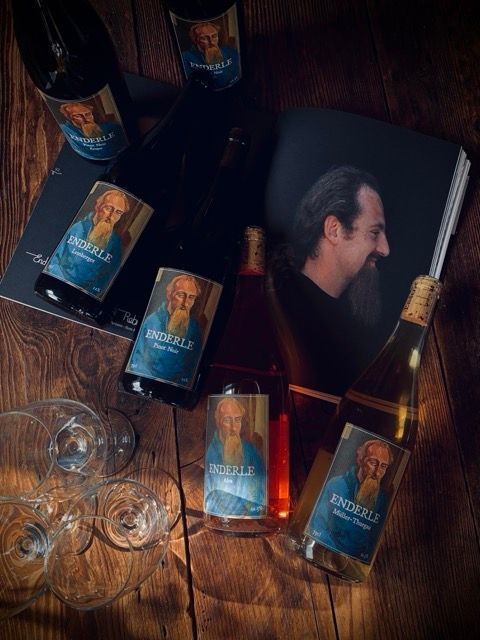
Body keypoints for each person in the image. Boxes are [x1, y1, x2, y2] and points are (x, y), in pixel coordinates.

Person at [271, 165, 390, 396]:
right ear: (334, 230)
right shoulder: (275, 305)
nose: (385, 249)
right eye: (375, 233)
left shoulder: (354, 328)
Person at [307, 438, 393, 562]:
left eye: (383, 467)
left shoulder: (382, 500)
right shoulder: (336, 484)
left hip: (356, 563)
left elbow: (373, 539)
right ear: (360, 460)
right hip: (318, 552)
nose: (377, 472)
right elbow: (318, 524)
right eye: (373, 463)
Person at [46, 188, 130, 297]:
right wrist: (61, 280)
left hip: (83, 295)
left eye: (118, 212)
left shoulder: (115, 243)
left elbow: (108, 275)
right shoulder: (77, 226)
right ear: (98, 206)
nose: (111, 215)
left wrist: (88, 292)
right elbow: (54, 259)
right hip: (57, 282)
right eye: (109, 208)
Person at [127, 273, 203, 387]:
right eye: (181, 295)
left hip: (174, 388)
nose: (185, 303)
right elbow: (137, 357)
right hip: (143, 381)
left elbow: (191, 366)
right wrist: (152, 379)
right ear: (169, 294)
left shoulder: (194, 330)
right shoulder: (152, 320)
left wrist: (173, 383)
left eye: (191, 297)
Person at [204, 397, 267, 517]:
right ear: (218, 422)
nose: (233, 428)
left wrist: (252, 510)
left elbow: (262, 488)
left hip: (252, 519)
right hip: (223, 519)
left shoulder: (250, 450)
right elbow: (212, 499)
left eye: (237, 420)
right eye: (227, 420)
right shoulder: (212, 453)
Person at [181, 22, 240, 89]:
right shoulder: (186, 57)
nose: (211, 42)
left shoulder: (231, 52)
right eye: (204, 38)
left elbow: (237, 75)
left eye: (214, 36)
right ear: (196, 40)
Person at [59, 101, 128, 159]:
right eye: (78, 116)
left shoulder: (112, 127)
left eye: (88, 114)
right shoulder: (67, 129)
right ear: (69, 118)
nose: (85, 119)